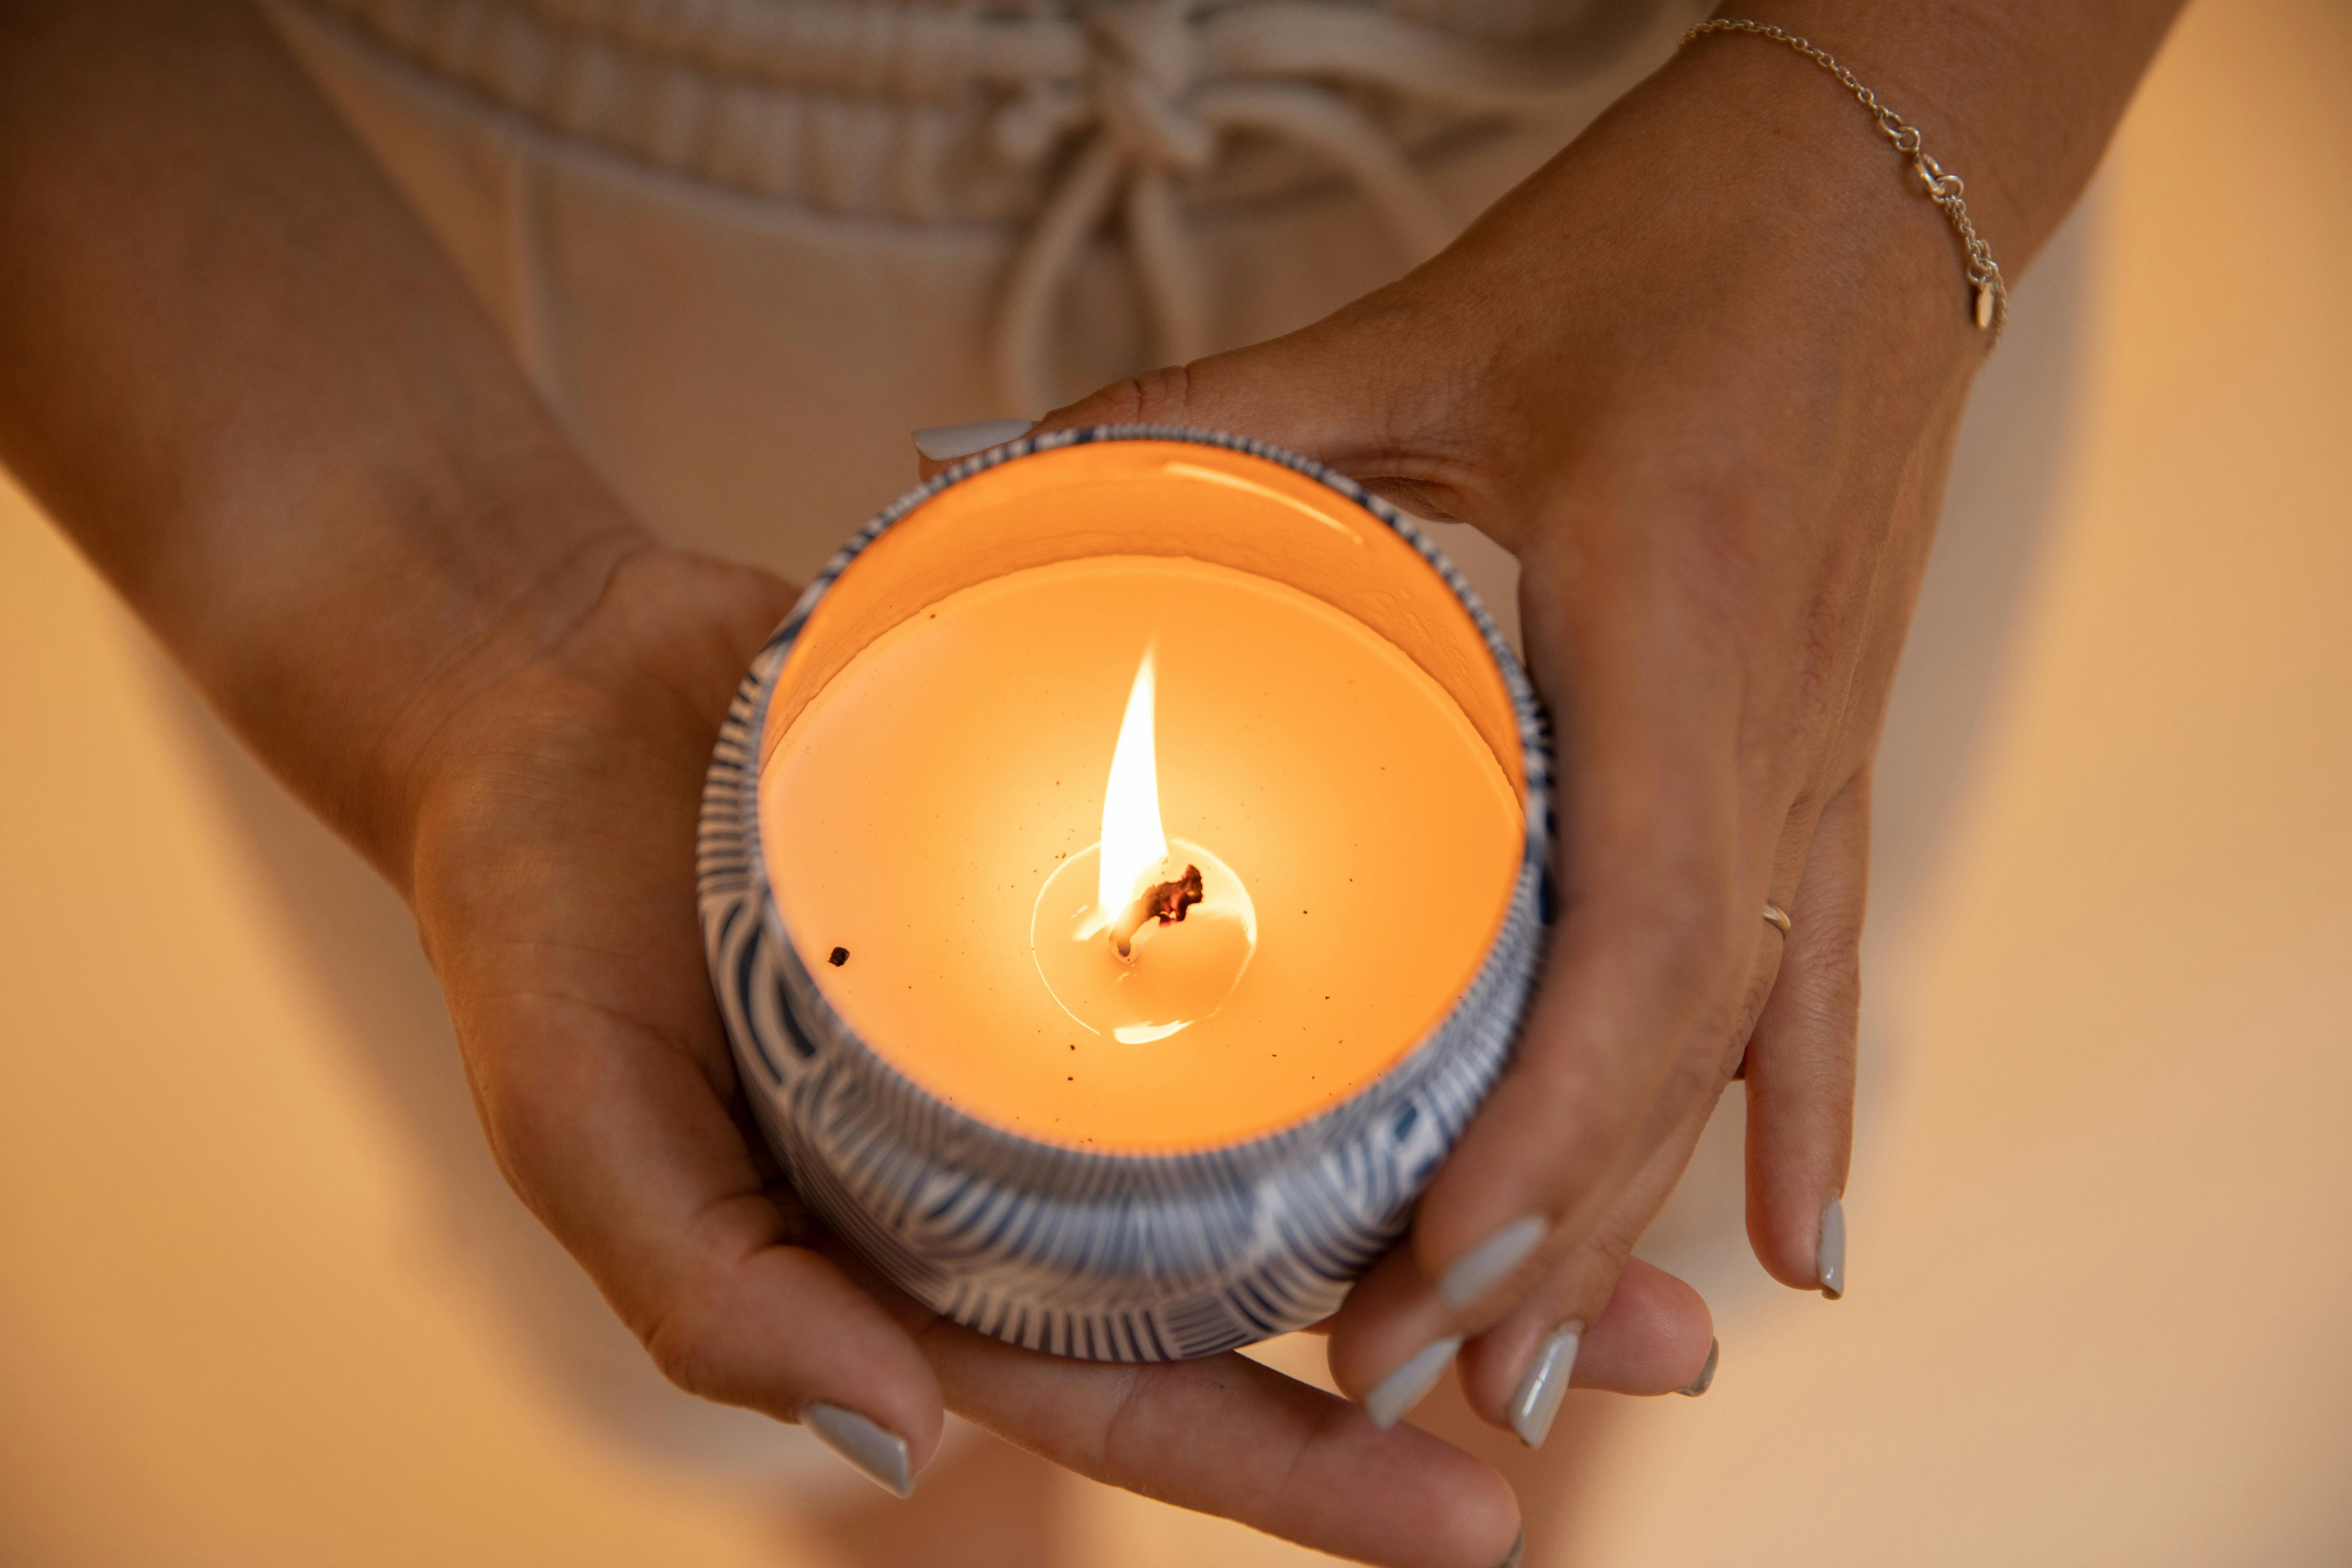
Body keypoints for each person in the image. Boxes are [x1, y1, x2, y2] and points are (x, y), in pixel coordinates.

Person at [0, 2, 2181, 1564]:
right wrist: (468, 623)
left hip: (1713, 266)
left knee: (1551, 1241)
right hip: (400, 310)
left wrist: (1902, 150)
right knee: (853, 1338)